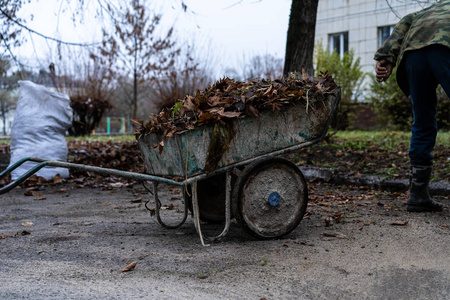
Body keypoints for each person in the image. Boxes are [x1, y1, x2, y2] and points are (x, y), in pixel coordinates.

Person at [374, 0, 449, 212]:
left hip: (414, 52)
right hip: (445, 47)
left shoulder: (430, 9)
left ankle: (418, 194)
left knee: (423, 120)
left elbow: (405, 21)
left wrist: (386, 57)